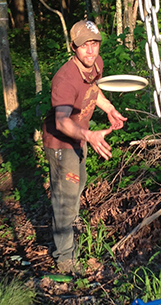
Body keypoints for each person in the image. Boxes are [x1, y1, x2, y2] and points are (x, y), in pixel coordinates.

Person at [41, 20, 126, 275]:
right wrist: (88, 135)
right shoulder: (64, 79)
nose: (91, 51)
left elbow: (94, 90)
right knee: (65, 198)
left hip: (81, 138)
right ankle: (65, 258)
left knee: (78, 185)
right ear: (73, 48)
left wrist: (109, 108)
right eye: (84, 46)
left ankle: (71, 231)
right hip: (61, 144)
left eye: (94, 44)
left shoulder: (95, 65)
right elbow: (62, 121)